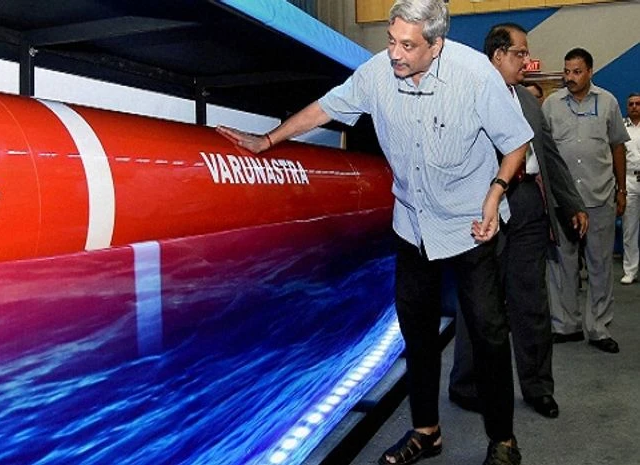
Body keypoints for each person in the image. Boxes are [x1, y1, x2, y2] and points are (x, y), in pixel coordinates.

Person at [217, 1, 531, 464]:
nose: (395, 53)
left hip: (470, 224)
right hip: (412, 223)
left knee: (487, 331)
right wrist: (269, 140)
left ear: (436, 45)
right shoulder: (377, 73)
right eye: (390, 39)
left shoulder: (476, 75)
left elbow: (516, 143)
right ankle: (426, 432)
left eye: (408, 45)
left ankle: (503, 441)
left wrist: (495, 192)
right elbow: (326, 108)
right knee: (416, 331)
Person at [448, 23, 588, 421]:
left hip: (527, 205)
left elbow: (550, 156)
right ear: (497, 56)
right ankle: (465, 385)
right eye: (520, 53)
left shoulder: (528, 102)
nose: (527, 60)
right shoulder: (467, 98)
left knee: (532, 302)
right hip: (484, 207)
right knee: (478, 301)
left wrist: (570, 202)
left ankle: (538, 387)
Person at [542, 48, 630, 354]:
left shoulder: (608, 102)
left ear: (590, 71)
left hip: (599, 197)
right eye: (567, 71)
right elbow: (543, 153)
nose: (570, 77)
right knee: (561, 265)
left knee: (600, 265)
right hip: (562, 200)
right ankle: (566, 325)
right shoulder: (551, 104)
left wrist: (621, 190)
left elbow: (618, 146)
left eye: (576, 71)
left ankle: (598, 327)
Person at [621, 93, 640, 284]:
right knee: (630, 228)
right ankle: (630, 270)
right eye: (631, 104)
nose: (634, 107)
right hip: (629, 179)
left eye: (638, 104)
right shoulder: (621, 127)